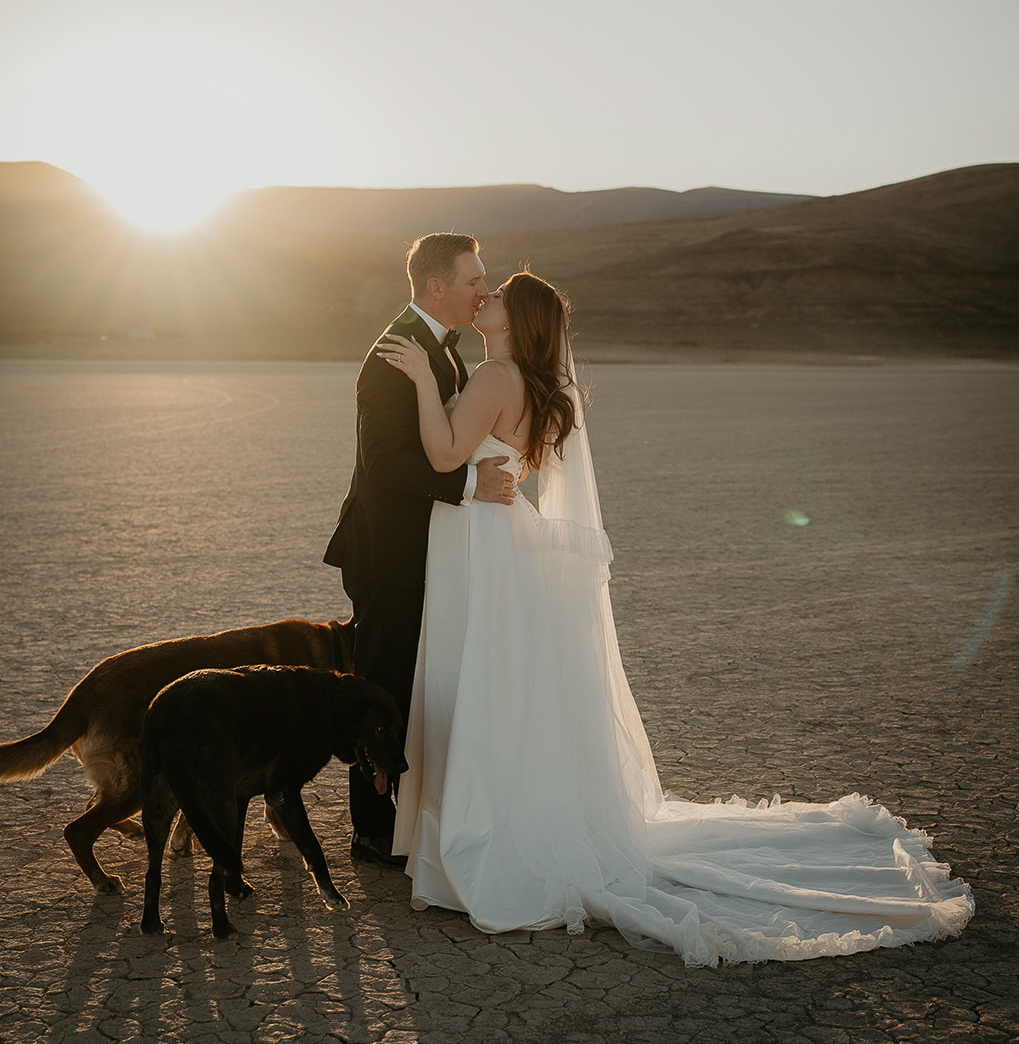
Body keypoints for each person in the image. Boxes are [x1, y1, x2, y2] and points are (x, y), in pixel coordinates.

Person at [377, 271, 974, 965]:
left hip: (484, 542)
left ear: (522, 320)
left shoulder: (494, 378)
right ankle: (493, 820)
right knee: (505, 684)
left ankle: (479, 837)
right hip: (505, 539)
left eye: (500, 294)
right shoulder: (531, 385)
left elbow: (447, 455)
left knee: (483, 676)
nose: (487, 298)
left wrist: (422, 378)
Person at [324, 232, 517, 867]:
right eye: (472, 280)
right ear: (436, 286)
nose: (482, 290)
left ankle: (408, 817)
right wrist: (467, 482)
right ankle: (372, 831)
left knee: (411, 684)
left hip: (422, 549)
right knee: (381, 689)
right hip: (387, 553)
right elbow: (383, 463)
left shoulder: (444, 351)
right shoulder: (394, 354)